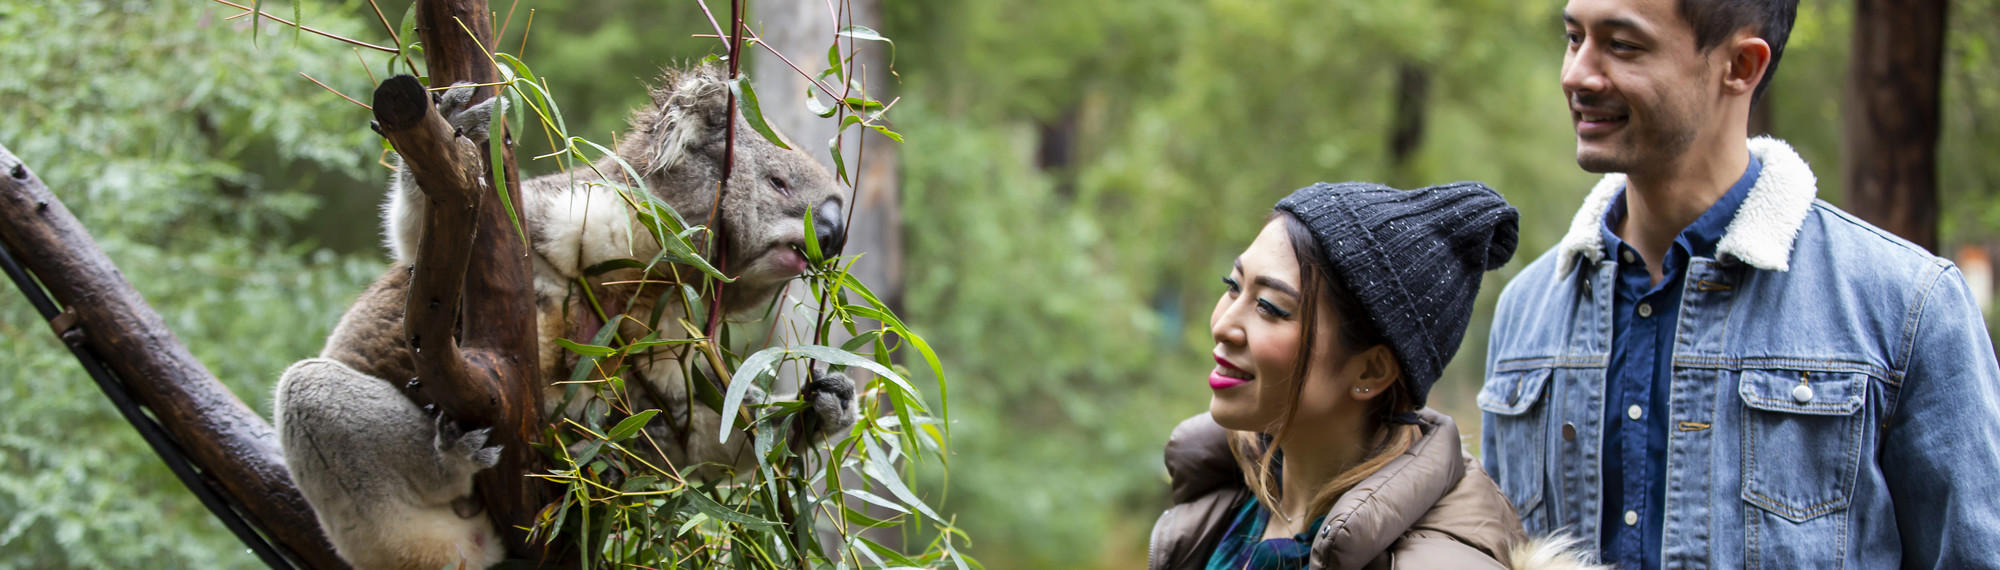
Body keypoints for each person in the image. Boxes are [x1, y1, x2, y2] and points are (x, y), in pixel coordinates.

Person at [1478, 0, 2000, 567]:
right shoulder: (1526, 309)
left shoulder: (1909, 305)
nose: (1577, 73)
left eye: (1623, 45)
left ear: (1742, 66)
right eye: (1574, 37)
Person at [1150, 181, 1550, 569]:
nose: (1223, 325)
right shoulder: (1224, 508)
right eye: (1233, 287)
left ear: (1372, 370)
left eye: (1270, 307)